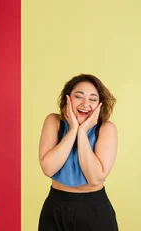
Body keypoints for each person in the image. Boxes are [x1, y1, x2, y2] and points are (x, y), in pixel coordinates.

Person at [38, 74, 118, 230]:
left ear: (100, 104)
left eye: (93, 99)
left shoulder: (107, 129)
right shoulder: (53, 121)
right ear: (68, 99)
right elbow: (48, 168)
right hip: (55, 207)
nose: (85, 104)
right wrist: (73, 130)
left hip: (94, 209)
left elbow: (94, 178)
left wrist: (82, 133)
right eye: (78, 97)